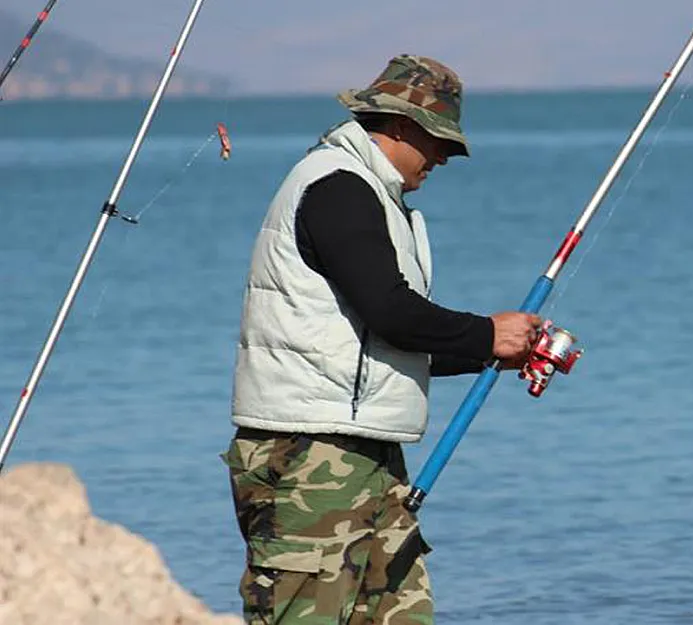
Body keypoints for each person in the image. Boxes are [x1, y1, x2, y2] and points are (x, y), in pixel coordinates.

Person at [221, 54, 542, 625]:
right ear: (399, 127)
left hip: (366, 454)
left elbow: (380, 340)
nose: (443, 157)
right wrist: (487, 333)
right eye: (438, 141)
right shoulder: (336, 187)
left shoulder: (372, 194)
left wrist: (498, 351)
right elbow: (392, 312)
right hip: (306, 456)